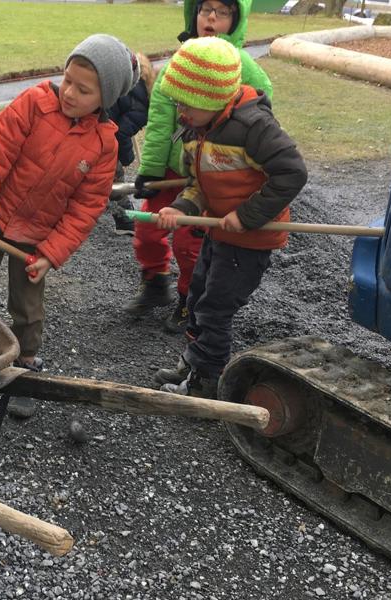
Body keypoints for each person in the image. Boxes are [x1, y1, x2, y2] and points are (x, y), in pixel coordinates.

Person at [0, 34, 139, 419]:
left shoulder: (103, 146)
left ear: (106, 98)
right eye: (67, 80)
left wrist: (51, 254)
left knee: (28, 307)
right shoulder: (34, 104)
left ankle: (25, 368)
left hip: (37, 238)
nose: (69, 92)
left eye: (83, 90)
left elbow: (84, 209)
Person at [152, 37, 306, 398]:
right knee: (198, 295)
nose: (180, 112)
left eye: (186, 104)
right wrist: (182, 208)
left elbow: (292, 173)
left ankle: (206, 381)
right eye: (176, 102)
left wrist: (248, 215)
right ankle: (193, 360)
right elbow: (198, 184)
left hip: (250, 240)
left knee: (215, 309)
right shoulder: (198, 129)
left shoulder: (254, 128)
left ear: (211, 98)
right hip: (219, 233)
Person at [126, 0, 272, 334]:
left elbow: (261, 105)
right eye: (206, 8)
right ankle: (155, 282)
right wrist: (149, 170)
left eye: (222, 12)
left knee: (190, 244)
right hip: (172, 171)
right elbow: (162, 120)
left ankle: (188, 300)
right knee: (148, 229)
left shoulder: (242, 64)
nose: (211, 17)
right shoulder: (182, 59)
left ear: (236, 20)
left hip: (210, 174)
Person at [105, 53, 156, 236]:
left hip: (96, 123)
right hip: (104, 133)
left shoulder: (124, 84)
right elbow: (120, 133)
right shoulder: (142, 105)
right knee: (114, 173)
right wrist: (127, 158)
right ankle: (124, 219)